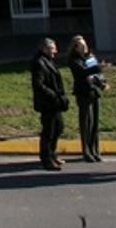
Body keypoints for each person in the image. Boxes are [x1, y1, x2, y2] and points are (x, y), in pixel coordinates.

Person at [31, 37, 70, 171]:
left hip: (55, 103)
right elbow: (38, 84)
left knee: (58, 128)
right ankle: (47, 159)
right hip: (48, 103)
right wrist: (53, 95)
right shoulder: (39, 63)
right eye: (52, 48)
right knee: (49, 131)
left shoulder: (49, 61)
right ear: (44, 48)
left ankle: (53, 154)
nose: (55, 51)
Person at [68, 35, 106, 163]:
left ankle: (95, 150)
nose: (84, 47)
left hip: (95, 92)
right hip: (83, 94)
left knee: (95, 123)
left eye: (85, 45)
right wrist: (97, 69)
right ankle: (86, 151)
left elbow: (97, 75)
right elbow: (84, 73)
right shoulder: (74, 60)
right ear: (75, 48)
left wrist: (102, 83)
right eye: (81, 45)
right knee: (86, 123)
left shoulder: (90, 57)